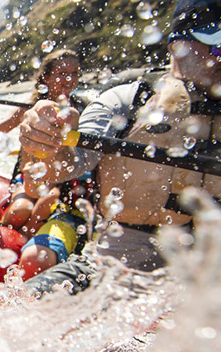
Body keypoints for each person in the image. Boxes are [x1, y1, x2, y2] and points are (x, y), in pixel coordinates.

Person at [17, 0, 221, 295]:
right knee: (28, 302)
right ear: (178, 45)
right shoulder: (122, 103)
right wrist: (44, 144)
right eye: (215, 46)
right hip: (123, 259)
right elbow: (62, 168)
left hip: (208, 266)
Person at [0, 49, 86, 237]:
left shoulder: (82, 110)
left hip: (62, 183)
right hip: (27, 179)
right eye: (62, 74)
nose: (70, 79)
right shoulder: (28, 109)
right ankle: (9, 238)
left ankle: (24, 242)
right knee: (19, 212)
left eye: (74, 73)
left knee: (48, 201)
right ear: (46, 77)